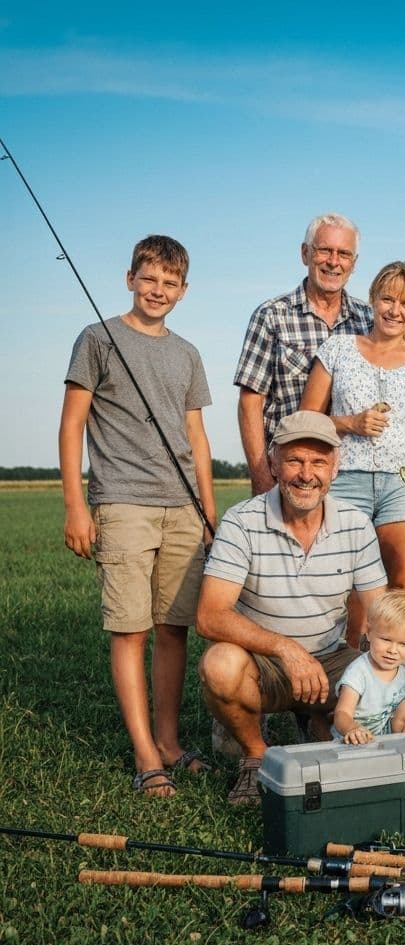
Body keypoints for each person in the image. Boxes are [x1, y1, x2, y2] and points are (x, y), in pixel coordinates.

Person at [196, 411, 405, 806]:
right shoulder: (241, 522)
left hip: (331, 660)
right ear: (273, 463)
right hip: (263, 663)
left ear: (334, 467)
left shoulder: (354, 523)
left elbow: (381, 611)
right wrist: (286, 649)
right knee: (219, 666)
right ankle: (254, 755)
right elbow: (210, 615)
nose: (306, 473)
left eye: (318, 462)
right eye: (295, 460)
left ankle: (323, 724)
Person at [58, 234, 216, 798]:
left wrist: (208, 510)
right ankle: (145, 754)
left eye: (170, 283)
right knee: (131, 629)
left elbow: (196, 434)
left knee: (174, 628)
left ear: (184, 290)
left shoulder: (188, 353)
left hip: (183, 509)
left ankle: (171, 741)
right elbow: (73, 422)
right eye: (149, 279)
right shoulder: (97, 339)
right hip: (122, 502)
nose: (159, 290)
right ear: (130, 279)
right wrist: (77, 504)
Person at [299, 261, 405, 647]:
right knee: (347, 584)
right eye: (387, 299)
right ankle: (344, 678)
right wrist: (351, 423)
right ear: (373, 300)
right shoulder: (338, 350)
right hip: (346, 480)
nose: (395, 311)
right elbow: (306, 421)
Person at [234, 213, 373, 496]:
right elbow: (250, 404)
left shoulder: (368, 320)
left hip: (354, 476)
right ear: (305, 253)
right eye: (325, 250)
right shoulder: (272, 315)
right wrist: (262, 478)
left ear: (354, 263)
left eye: (344, 254)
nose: (334, 262)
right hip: (292, 474)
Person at [333, 590, 405, 744]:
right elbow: (341, 713)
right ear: (368, 632)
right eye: (386, 639)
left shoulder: (403, 669)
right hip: (358, 742)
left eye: (404, 644)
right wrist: (352, 729)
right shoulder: (358, 672)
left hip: (390, 738)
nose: (393, 650)